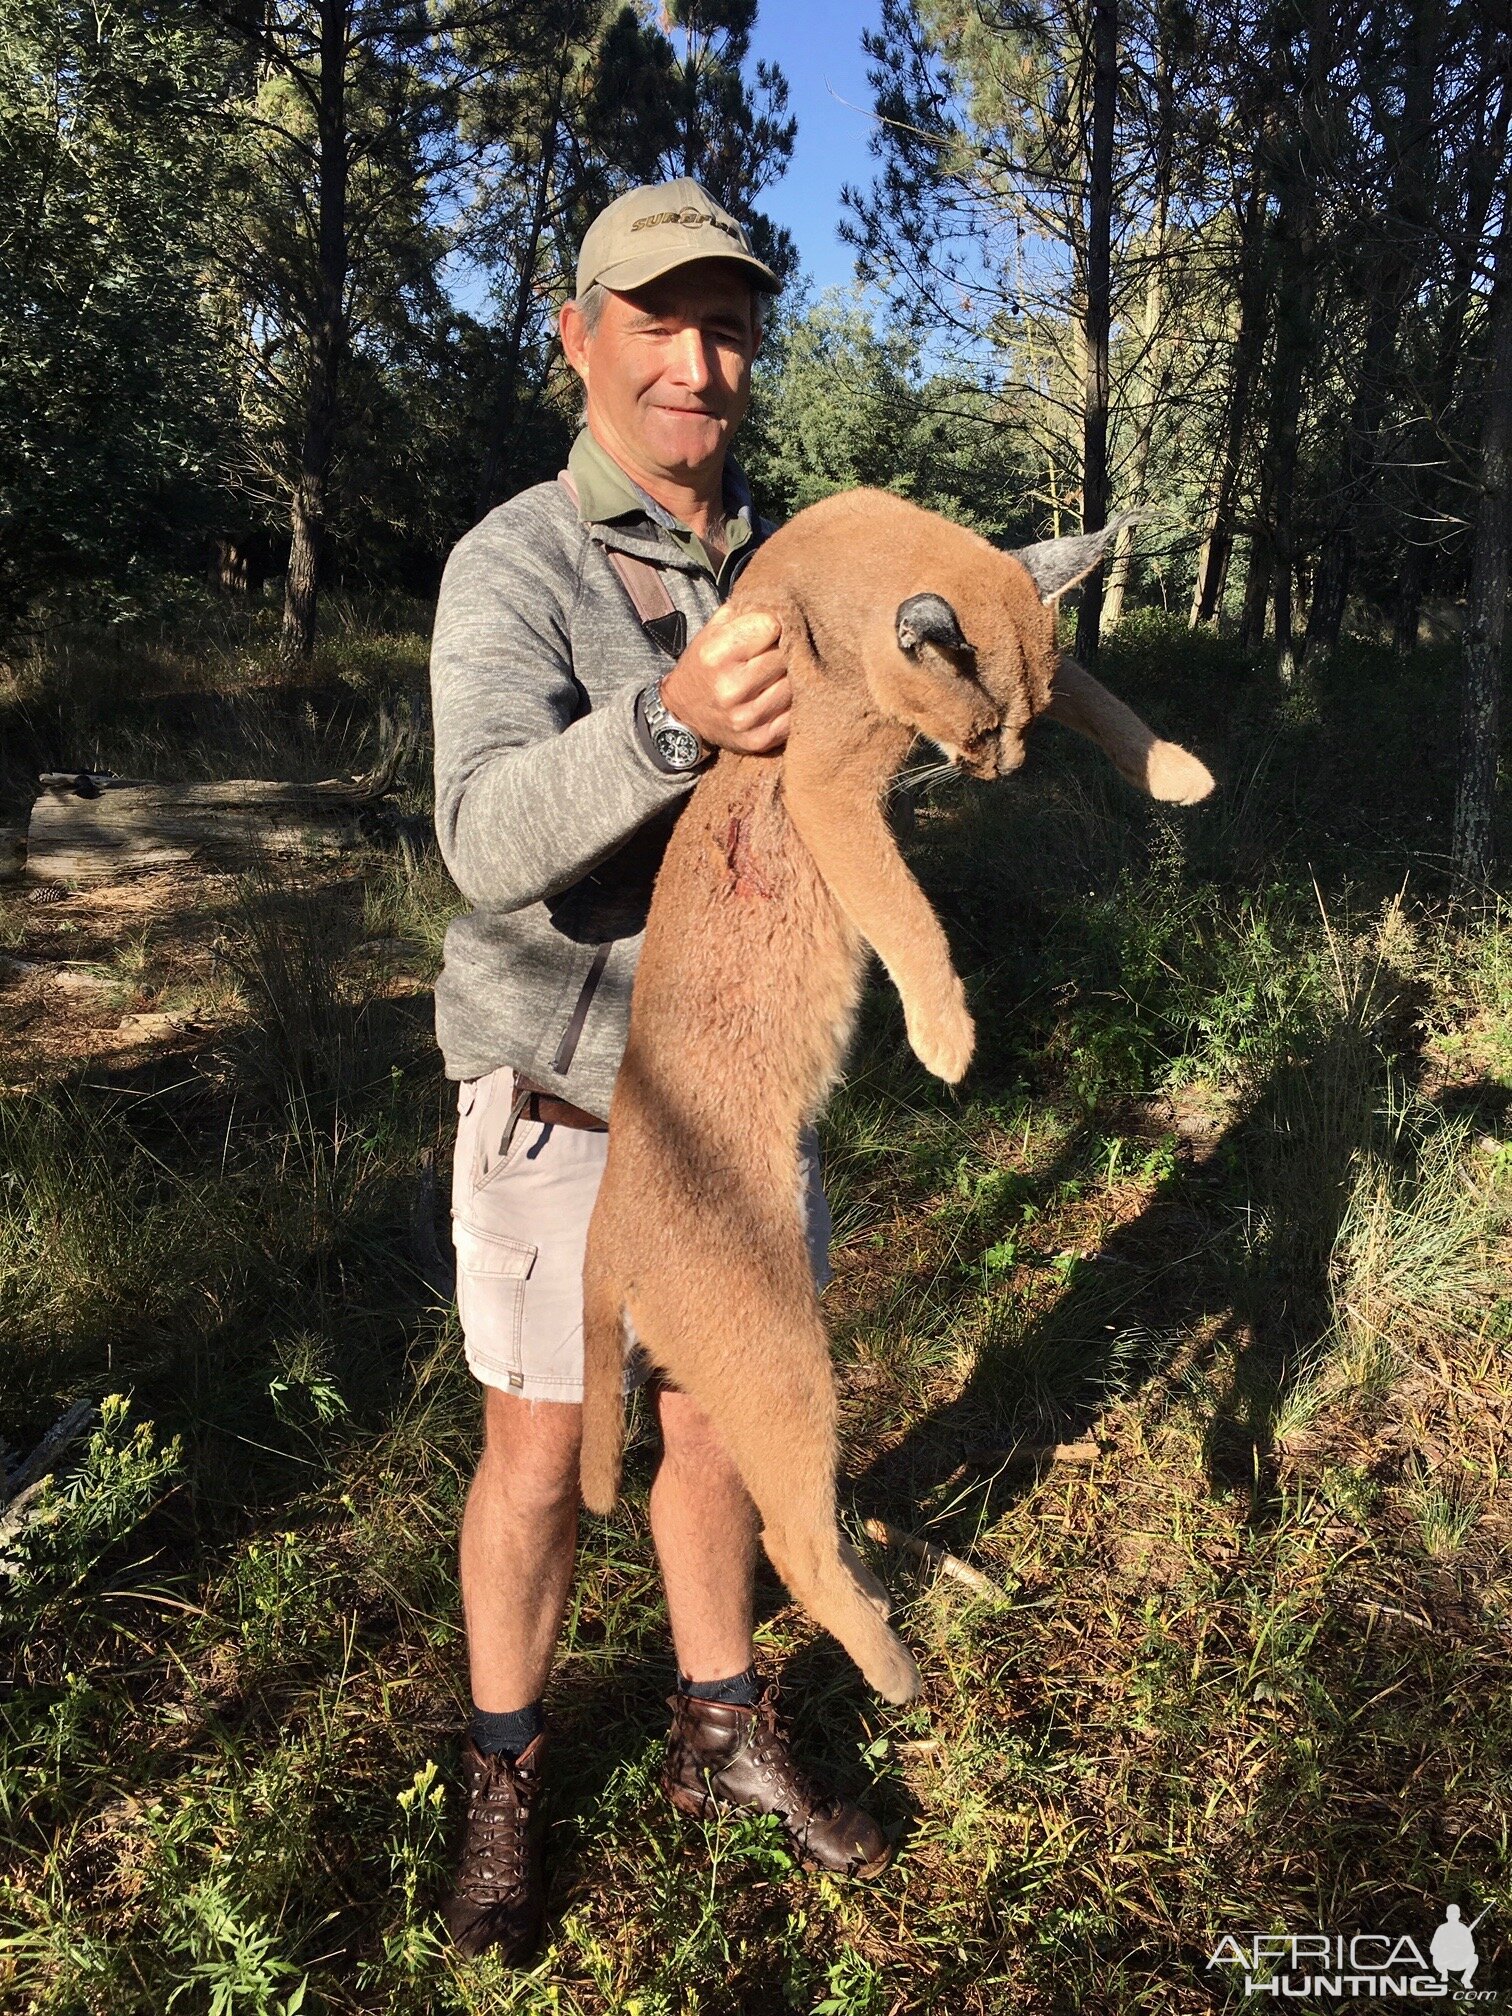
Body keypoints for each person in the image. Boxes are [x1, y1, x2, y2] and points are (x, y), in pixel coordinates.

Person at [428, 178, 893, 1966]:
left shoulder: (791, 561)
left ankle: (721, 1732)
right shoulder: (519, 561)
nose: (699, 362)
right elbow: (481, 836)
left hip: (740, 1108)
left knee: (716, 1432)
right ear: (581, 338)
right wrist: (667, 720)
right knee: (542, 1458)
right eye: (658, 320)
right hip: (562, 1102)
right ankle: (504, 1772)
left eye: (728, 326)